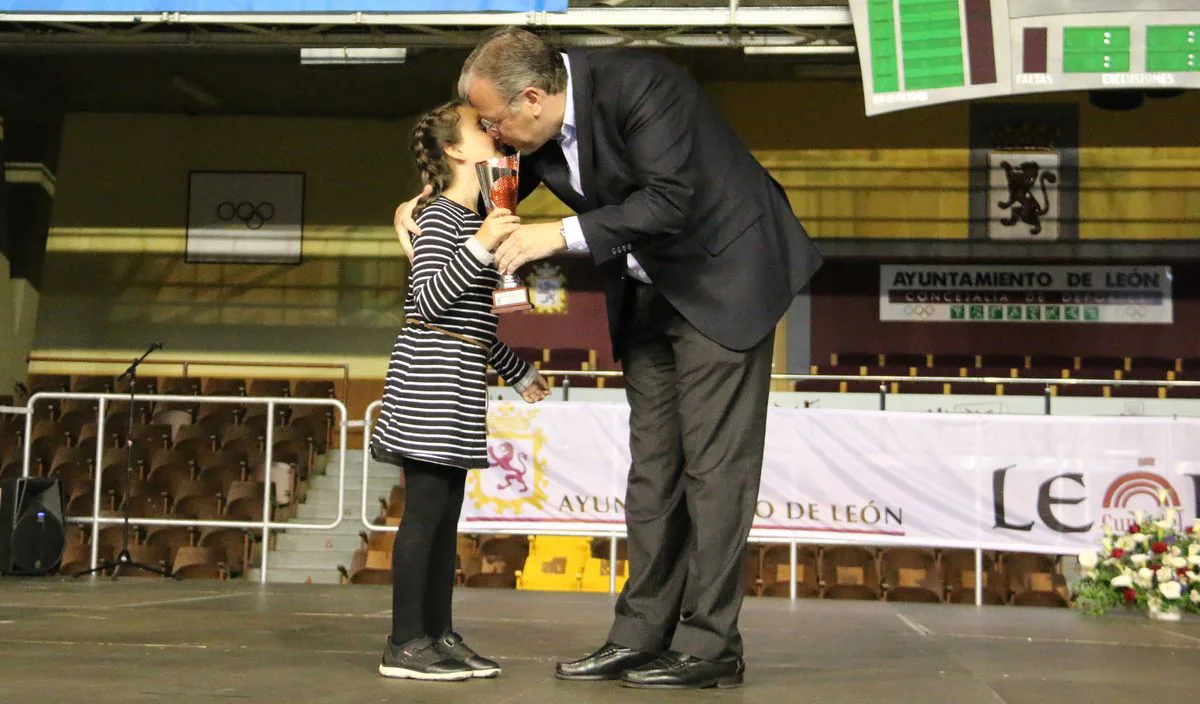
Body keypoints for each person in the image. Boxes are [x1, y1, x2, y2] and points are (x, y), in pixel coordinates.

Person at [394, 29, 823, 690]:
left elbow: (670, 199)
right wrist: (419, 203)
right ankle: (639, 635)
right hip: (647, 294)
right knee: (653, 473)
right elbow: (486, 189)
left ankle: (712, 643)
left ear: (532, 99)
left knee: (713, 469)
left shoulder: (643, 85)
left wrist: (557, 234)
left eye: (495, 121)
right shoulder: (531, 134)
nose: (493, 135)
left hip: (722, 279)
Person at [373, 98, 551, 682]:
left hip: (456, 378)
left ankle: (437, 634)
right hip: (427, 379)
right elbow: (427, 302)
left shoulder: (467, 217)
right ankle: (404, 643)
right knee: (423, 515)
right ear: (454, 150)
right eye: (482, 129)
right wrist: (479, 244)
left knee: (446, 517)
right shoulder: (443, 216)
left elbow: (470, 326)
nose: (495, 135)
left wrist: (518, 369)